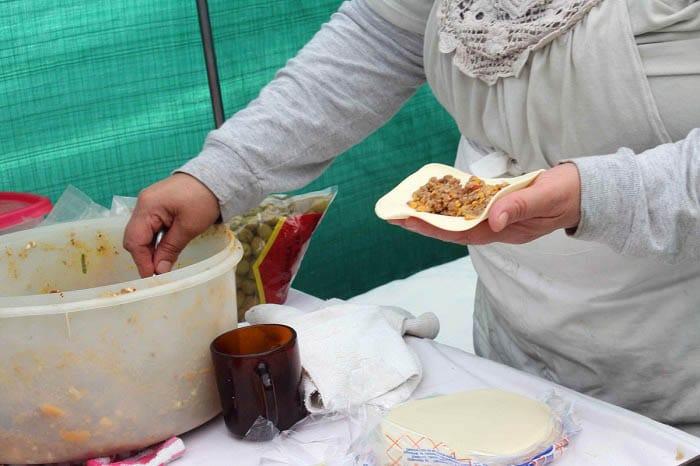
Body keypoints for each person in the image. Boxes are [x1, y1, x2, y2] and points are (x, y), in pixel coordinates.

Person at [124, 0, 700, 433]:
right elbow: (380, 37)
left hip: (679, 375)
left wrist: (597, 193)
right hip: (521, 355)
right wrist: (219, 173)